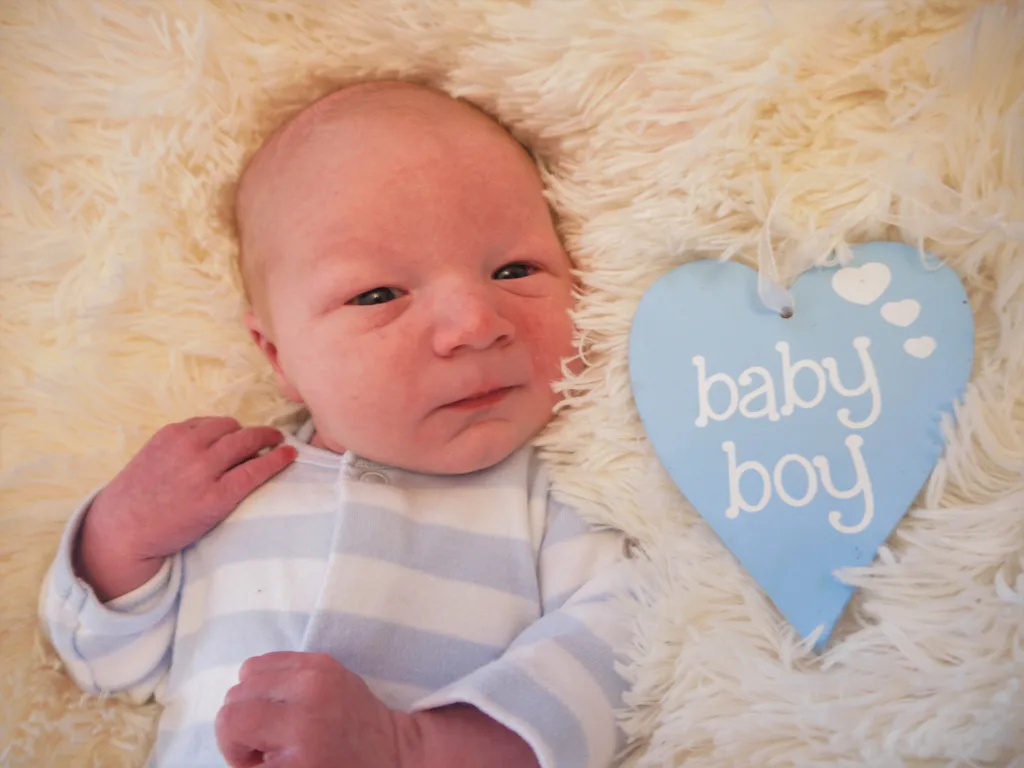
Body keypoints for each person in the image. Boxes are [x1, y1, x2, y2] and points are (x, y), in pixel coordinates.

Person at [39, 80, 629, 768]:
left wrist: (413, 748)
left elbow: (617, 650)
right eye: (378, 294)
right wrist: (120, 536)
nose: (475, 324)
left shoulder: (554, 499)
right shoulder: (235, 487)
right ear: (277, 355)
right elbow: (106, 667)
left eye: (515, 268)